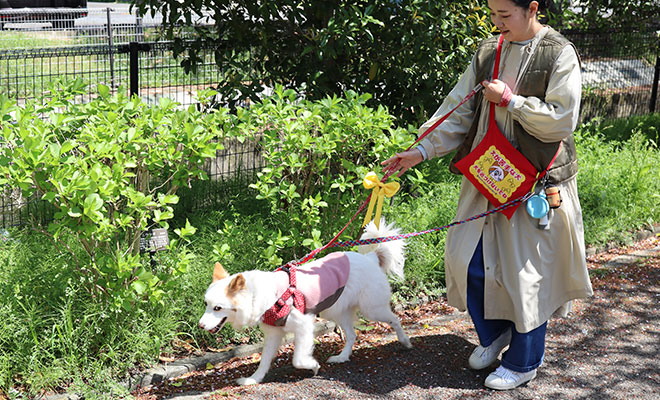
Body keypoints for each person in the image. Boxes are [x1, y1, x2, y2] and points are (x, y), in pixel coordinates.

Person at [382, 0, 593, 390]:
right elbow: (457, 110)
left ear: (531, 8)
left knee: (526, 275)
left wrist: (510, 102)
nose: (497, 23)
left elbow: (563, 119)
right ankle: (495, 333)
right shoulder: (488, 51)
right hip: (489, 173)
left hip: (536, 182)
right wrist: (420, 150)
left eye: (504, 15)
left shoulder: (558, 52)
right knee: (469, 259)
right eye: (493, 15)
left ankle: (524, 360)